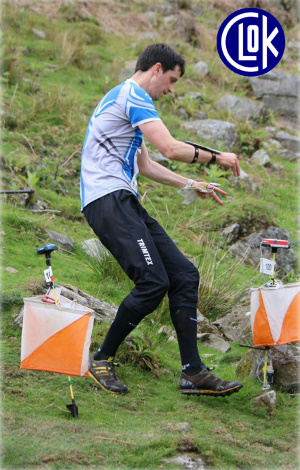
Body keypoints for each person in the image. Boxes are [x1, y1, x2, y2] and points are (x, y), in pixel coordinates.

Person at [80, 43, 242, 397]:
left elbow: (147, 165)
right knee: (153, 282)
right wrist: (217, 157)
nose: (170, 90)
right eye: (170, 80)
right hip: (107, 200)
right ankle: (102, 359)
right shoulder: (133, 95)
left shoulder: (128, 102)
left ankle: (193, 373)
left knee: (184, 273)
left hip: (123, 199)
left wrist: (191, 183)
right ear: (155, 69)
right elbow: (170, 148)